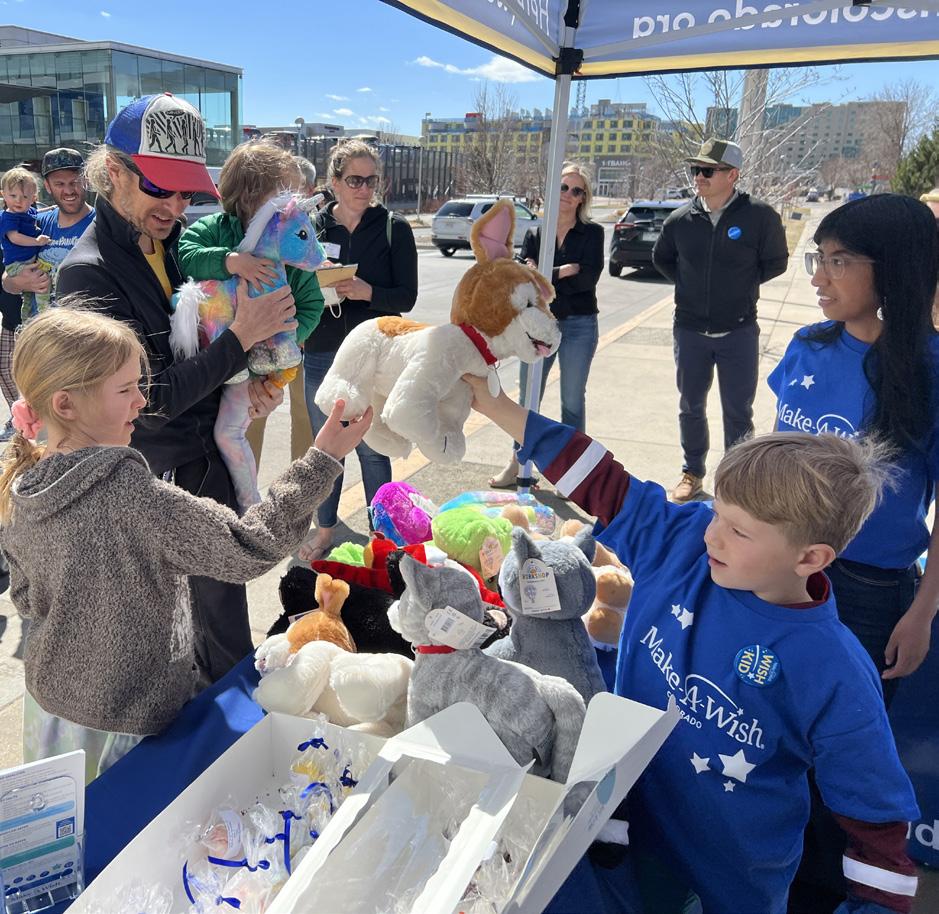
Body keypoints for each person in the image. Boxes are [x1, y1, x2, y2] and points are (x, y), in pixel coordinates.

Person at [465, 373, 920, 914]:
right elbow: (604, 482)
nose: (711, 533)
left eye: (738, 530)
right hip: (620, 828)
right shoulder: (682, 544)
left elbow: (876, 825)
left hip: (731, 880)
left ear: (810, 558)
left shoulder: (833, 668)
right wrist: (498, 407)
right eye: (717, 511)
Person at [0, 306, 371, 783]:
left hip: (51, 710)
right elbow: (248, 545)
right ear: (66, 405)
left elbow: (26, 598)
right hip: (130, 724)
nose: (141, 401)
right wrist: (323, 458)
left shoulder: (22, 484)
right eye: (125, 389)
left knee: (77, 825)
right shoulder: (130, 496)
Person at [56, 93, 296, 683]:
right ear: (113, 171)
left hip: (206, 461)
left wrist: (254, 382)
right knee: (181, 648)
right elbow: (151, 399)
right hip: (156, 480)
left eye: (186, 192)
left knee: (224, 632)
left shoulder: (178, 245)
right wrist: (241, 338)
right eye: (160, 188)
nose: (175, 206)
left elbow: (205, 350)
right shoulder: (87, 272)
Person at [177, 140, 324, 510]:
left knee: (233, 435)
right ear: (250, 195)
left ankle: (249, 506)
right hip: (206, 366)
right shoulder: (214, 228)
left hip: (257, 369)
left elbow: (312, 304)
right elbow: (186, 255)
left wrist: (284, 339)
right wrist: (231, 261)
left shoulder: (287, 241)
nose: (293, 201)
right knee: (217, 443)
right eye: (285, 191)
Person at [299, 138, 418, 561]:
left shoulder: (394, 228)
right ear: (334, 182)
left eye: (371, 180)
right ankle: (325, 529)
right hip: (322, 351)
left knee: (373, 448)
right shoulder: (313, 227)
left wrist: (368, 291)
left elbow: (407, 296)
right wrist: (316, 287)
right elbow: (293, 284)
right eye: (354, 180)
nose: (364, 189)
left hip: (375, 358)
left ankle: (381, 536)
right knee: (326, 447)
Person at [653, 138, 789, 503]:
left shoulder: (759, 216)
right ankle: (692, 472)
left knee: (738, 411)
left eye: (708, 171)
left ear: (732, 175)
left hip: (738, 331)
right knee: (690, 406)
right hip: (690, 330)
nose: (699, 176)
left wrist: (738, 287)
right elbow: (662, 258)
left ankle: (736, 481)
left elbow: (776, 262)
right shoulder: (680, 220)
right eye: (696, 169)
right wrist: (691, 286)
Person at [490, 162, 605, 489]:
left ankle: (575, 474)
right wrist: (563, 270)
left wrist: (543, 274)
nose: (568, 194)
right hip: (538, 326)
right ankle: (518, 464)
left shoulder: (593, 233)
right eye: (563, 187)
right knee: (528, 400)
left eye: (576, 190)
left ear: (583, 198)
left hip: (579, 324)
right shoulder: (536, 233)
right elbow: (524, 280)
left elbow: (586, 280)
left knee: (572, 401)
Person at [2, 148, 95, 309]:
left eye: (74, 182)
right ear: (48, 186)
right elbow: (7, 280)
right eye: (59, 184)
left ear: (86, 181)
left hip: (79, 323)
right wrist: (20, 282)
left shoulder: (102, 225)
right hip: (37, 322)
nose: (68, 191)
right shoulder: (35, 222)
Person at [0, 167, 50, 321]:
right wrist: (36, 241)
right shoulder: (9, 217)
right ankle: (45, 314)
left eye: (24, 196)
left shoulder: (27, 212)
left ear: (33, 198)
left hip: (26, 261)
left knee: (28, 296)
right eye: (13, 195)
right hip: (16, 264)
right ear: (3, 195)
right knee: (43, 281)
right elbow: (14, 237)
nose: (18, 200)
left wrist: (53, 208)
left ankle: (26, 318)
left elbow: (38, 213)